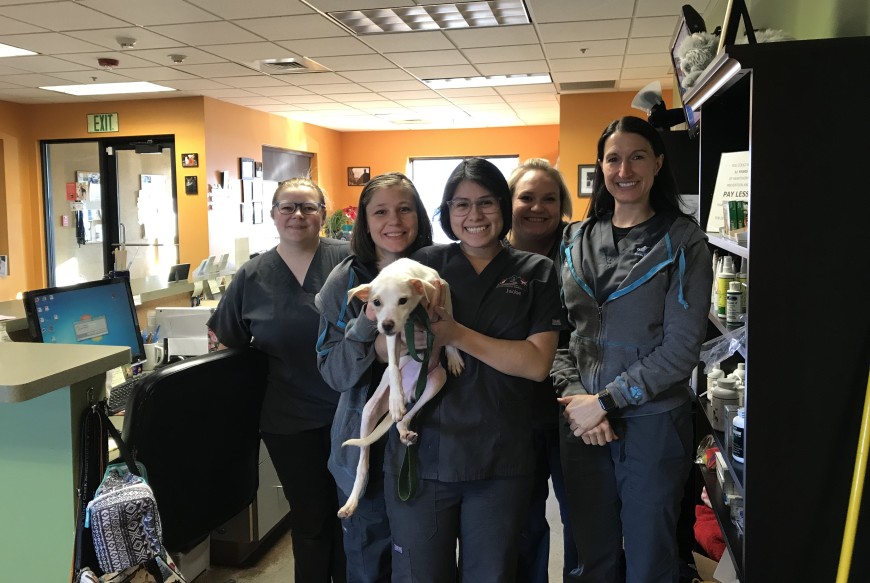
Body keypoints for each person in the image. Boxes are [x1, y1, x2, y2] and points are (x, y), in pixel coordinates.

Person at [382, 157, 563, 582]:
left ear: (503, 207)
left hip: (501, 457)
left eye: (485, 203)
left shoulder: (536, 271)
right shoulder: (423, 265)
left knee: (492, 574)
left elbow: (536, 364)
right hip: (423, 452)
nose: (474, 216)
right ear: (446, 213)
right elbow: (383, 336)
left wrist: (455, 334)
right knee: (420, 574)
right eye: (460, 205)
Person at [553, 116, 713, 583]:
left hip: (651, 425)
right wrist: (578, 399)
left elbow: (683, 348)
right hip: (581, 425)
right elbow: (560, 335)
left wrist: (606, 401)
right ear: (601, 167)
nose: (625, 169)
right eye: (613, 158)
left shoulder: (683, 242)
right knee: (590, 555)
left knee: (649, 558)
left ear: (658, 163)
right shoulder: (575, 240)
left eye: (637, 156)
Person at [207, 177, 349, 583]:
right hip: (290, 420)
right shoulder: (252, 275)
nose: (297, 215)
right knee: (310, 521)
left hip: (353, 415)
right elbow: (228, 340)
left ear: (323, 213)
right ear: (272, 214)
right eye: (287, 207)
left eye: (308, 207)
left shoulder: (350, 260)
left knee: (355, 516)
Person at [315, 172, 434, 583]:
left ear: (419, 215)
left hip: (433, 443)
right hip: (362, 439)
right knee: (369, 561)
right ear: (364, 222)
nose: (394, 221)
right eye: (380, 211)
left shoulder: (439, 271)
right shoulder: (345, 283)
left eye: (405, 209)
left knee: (423, 563)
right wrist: (368, 327)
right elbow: (334, 372)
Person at [506, 158, 578, 582]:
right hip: (514, 410)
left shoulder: (580, 250)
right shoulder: (491, 254)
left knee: (580, 514)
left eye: (549, 199)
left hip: (574, 405)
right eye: (526, 197)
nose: (538, 207)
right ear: (509, 202)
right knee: (524, 519)